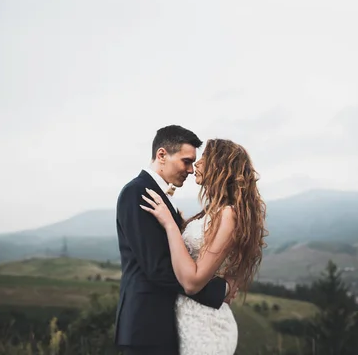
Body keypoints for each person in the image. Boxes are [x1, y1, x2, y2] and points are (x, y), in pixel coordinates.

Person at [114, 125, 238, 355]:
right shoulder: (138, 192)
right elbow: (157, 267)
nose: (191, 170)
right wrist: (217, 290)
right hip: (146, 324)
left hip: (165, 323)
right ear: (162, 155)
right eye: (186, 161)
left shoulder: (158, 195)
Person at [140, 137, 268, 355]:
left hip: (206, 326)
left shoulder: (228, 214)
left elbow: (192, 283)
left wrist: (170, 225)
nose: (196, 165)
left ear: (220, 166)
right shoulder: (211, 212)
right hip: (187, 320)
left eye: (204, 159)